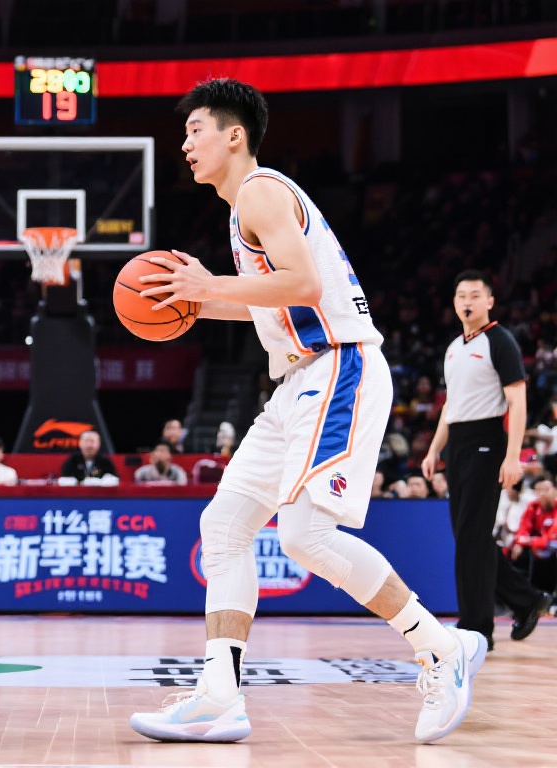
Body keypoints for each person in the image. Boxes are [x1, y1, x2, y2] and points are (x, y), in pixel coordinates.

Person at [128, 78, 485, 746]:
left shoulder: (260, 191)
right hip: (298, 380)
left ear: (235, 135)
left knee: (303, 537)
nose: (186, 145)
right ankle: (219, 696)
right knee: (224, 526)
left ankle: (441, 647)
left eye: (196, 130)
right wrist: (195, 302)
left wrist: (210, 283)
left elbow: (304, 284)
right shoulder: (247, 207)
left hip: (338, 366)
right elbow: (274, 302)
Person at [422, 270, 553, 649]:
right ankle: (527, 600)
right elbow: (451, 406)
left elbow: (518, 402)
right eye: (461, 295)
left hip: (487, 441)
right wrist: (434, 449)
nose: (467, 301)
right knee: (470, 537)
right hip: (459, 444)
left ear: (490, 301)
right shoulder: (453, 348)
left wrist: (512, 457)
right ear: (454, 302)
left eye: (475, 295)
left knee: (471, 538)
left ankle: (477, 628)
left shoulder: (501, 341)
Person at [507, 473, 557, 592]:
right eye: (539, 490)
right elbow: (523, 529)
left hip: (551, 547)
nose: (542, 493)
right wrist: (520, 543)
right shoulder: (533, 507)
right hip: (538, 547)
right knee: (515, 548)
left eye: (546, 490)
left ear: (554, 491)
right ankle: (525, 592)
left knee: (550, 547)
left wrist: (530, 541)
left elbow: (550, 538)